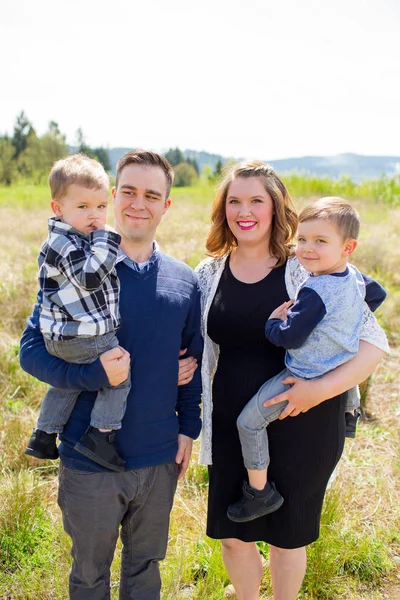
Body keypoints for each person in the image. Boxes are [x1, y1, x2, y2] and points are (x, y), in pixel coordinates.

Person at [188, 160, 388, 600]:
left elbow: (374, 345)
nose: (245, 211)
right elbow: (198, 343)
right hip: (231, 420)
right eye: (234, 201)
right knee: (233, 531)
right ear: (223, 209)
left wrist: (318, 391)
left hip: (305, 417)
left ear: (276, 207)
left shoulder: (308, 268)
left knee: (287, 532)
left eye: (256, 200)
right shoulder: (208, 273)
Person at [19, 150, 203, 600]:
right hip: (89, 459)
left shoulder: (184, 281)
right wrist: (91, 375)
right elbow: (30, 353)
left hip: (158, 458)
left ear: (166, 205)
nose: (139, 203)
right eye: (130, 192)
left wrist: (188, 431)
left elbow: (192, 364)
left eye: (152, 195)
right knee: (89, 575)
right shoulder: (77, 272)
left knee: (145, 571)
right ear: (114, 197)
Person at [227, 197, 386, 524]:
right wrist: (347, 321)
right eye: (302, 239)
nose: (307, 248)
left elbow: (289, 337)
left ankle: (259, 493)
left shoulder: (314, 291)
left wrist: (272, 322)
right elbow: (378, 295)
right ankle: (350, 409)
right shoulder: (353, 276)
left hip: (301, 375)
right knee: (344, 356)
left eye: (320, 241)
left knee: (248, 422)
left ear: (348, 246)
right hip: (340, 366)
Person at [25, 154, 129, 472]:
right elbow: (90, 278)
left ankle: (44, 435)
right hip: (80, 336)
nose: (94, 216)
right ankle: (101, 434)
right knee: (119, 378)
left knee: (67, 384)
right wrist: (109, 240)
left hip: (66, 337)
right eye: (82, 207)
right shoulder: (63, 242)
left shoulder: (74, 238)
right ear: (59, 209)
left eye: (100, 207)